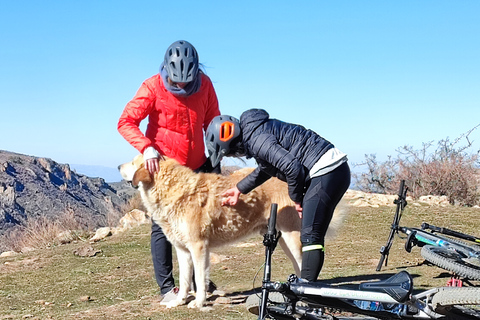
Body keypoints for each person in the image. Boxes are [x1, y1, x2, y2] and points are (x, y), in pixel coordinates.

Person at [118, 40, 221, 304]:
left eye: (188, 82)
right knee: (162, 226)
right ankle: (167, 287)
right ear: (166, 71)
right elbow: (126, 122)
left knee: (199, 224)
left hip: (196, 165)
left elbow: (212, 121)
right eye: (176, 83)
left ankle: (200, 282)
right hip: (162, 169)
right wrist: (146, 147)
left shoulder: (205, 84)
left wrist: (217, 147)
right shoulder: (152, 86)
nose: (182, 87)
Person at [205, 109, 351, 282]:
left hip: (327, 171)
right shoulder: (256, 133)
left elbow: (292, 168)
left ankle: (308, 291)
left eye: (230, 153)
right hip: (331, 170)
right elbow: (267, 169)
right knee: (311, 235)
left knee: (311, 237)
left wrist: (296, 198)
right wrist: (239, 189)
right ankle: (308, 288)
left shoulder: (257, 140)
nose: (237, 156)